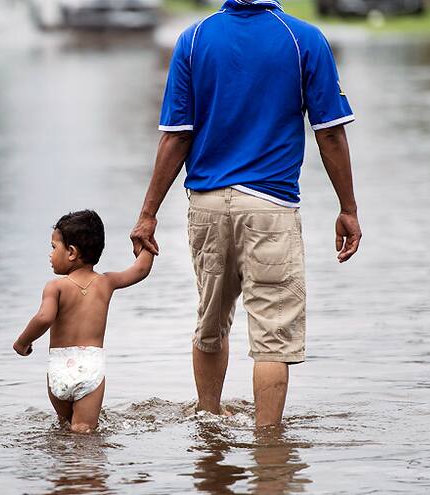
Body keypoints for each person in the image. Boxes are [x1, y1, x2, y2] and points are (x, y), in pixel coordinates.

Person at [130, 0, 362, 427]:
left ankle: (208, 425)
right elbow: (329, 132)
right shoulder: (304, 38)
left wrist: (148, 214)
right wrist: (347, 208)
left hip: (207, 204)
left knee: (210, 321)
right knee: (273, 334)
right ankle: (269, 447)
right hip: (270, 205)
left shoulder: (194, 39)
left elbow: (175, 138)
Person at [13, 210, 154, 433]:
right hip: (90, 366)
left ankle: (64, 465)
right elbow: (141, 269)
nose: (50, 254)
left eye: (53, 247)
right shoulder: (106, 282)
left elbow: (44, 317)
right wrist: (144, 243)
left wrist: (22, 342)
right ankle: (85, 468)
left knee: (65, 427)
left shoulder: (55, 287)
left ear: (71, 252)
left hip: (59, 368)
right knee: (83, 431)